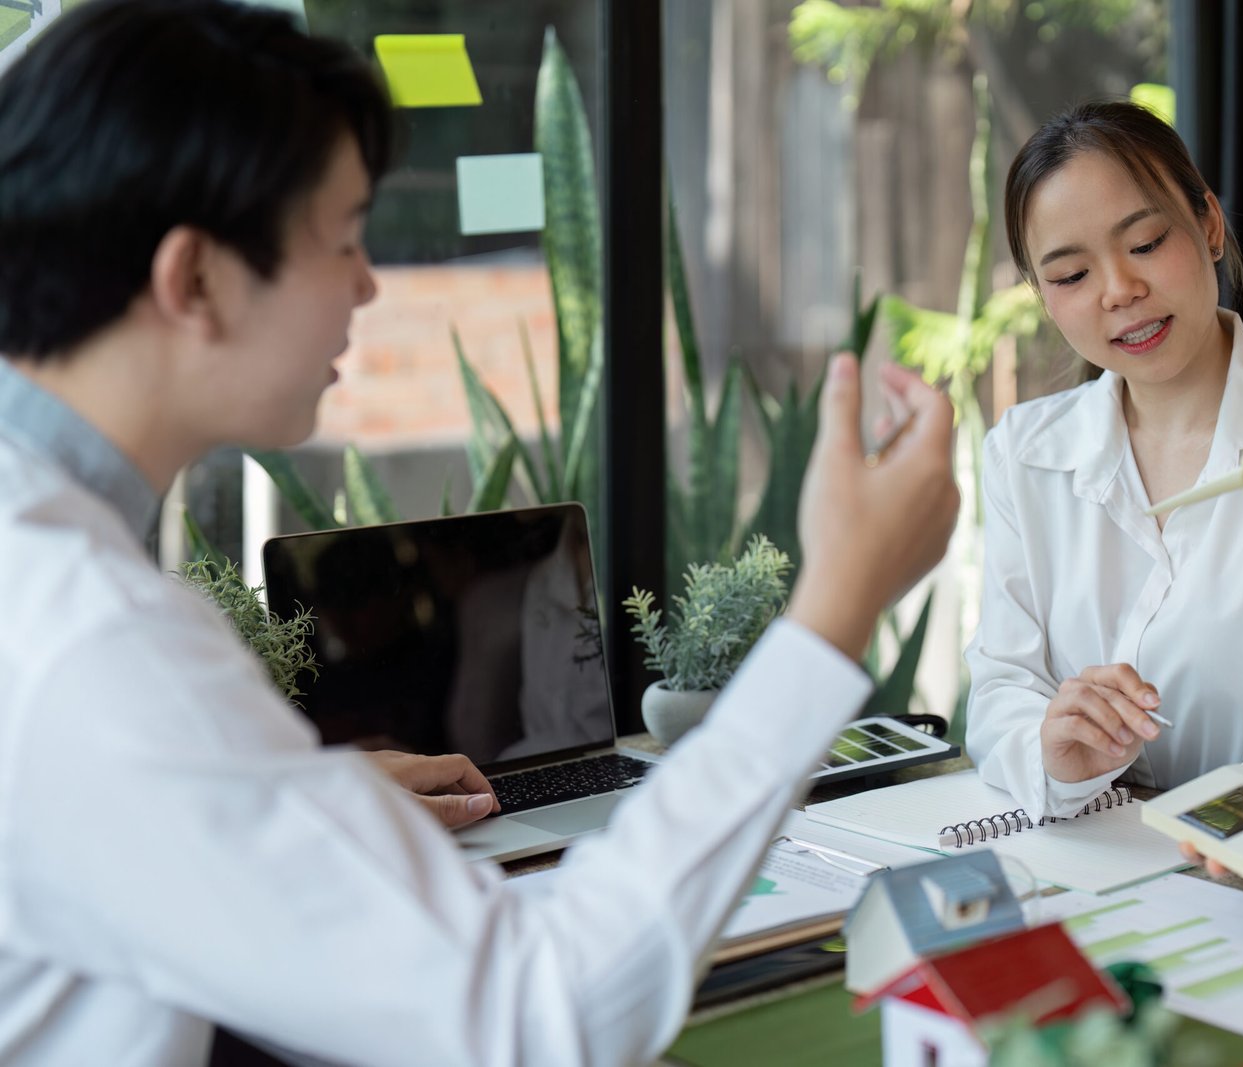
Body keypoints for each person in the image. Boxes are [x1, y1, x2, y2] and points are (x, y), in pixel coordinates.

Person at [0, 2, 959, 1065]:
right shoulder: (94, 638)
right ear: (195, 278)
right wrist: (836, 607)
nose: (369, 284)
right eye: (346, 239)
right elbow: (534, 1010)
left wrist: (283, 801)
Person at [964, 100, 1243, 881]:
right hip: (1082, 868)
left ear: (1209, 224)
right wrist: (1056, 749)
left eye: (1145, 242)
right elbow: (1002, 686)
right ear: (1042, 294)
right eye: (1071, 274)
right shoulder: (1024, 454)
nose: (1118, 289)